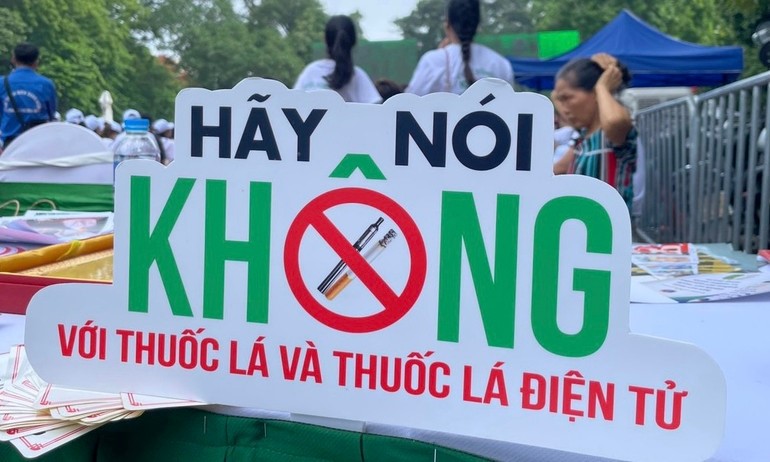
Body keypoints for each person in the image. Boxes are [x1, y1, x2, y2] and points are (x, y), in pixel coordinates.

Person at [552, 53, 637, 212]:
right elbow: (558, 169)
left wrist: (602, 86)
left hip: (610, 227)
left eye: (567, 98)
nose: (564, 110)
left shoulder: (613, 134)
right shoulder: (583, 138)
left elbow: (614, 121)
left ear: (595, 94)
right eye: (560, 100)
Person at [405, 0, 513, 96]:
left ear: (447, 24)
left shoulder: (433, 61)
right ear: (477, 25)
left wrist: (441, 54)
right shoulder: (500, 64)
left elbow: (409, 103)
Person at [293, 15, 381, 103]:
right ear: (354, 41)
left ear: (325, 39)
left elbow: (292, 103)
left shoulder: (310, 72)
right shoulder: (357, 76)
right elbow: (375, 108)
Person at [0, 43, 57, 147]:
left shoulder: (2, 83)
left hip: (10, 146)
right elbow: (51, 115)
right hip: (38, 144)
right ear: (36, 61)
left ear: (13, 59)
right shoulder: (46, 85)